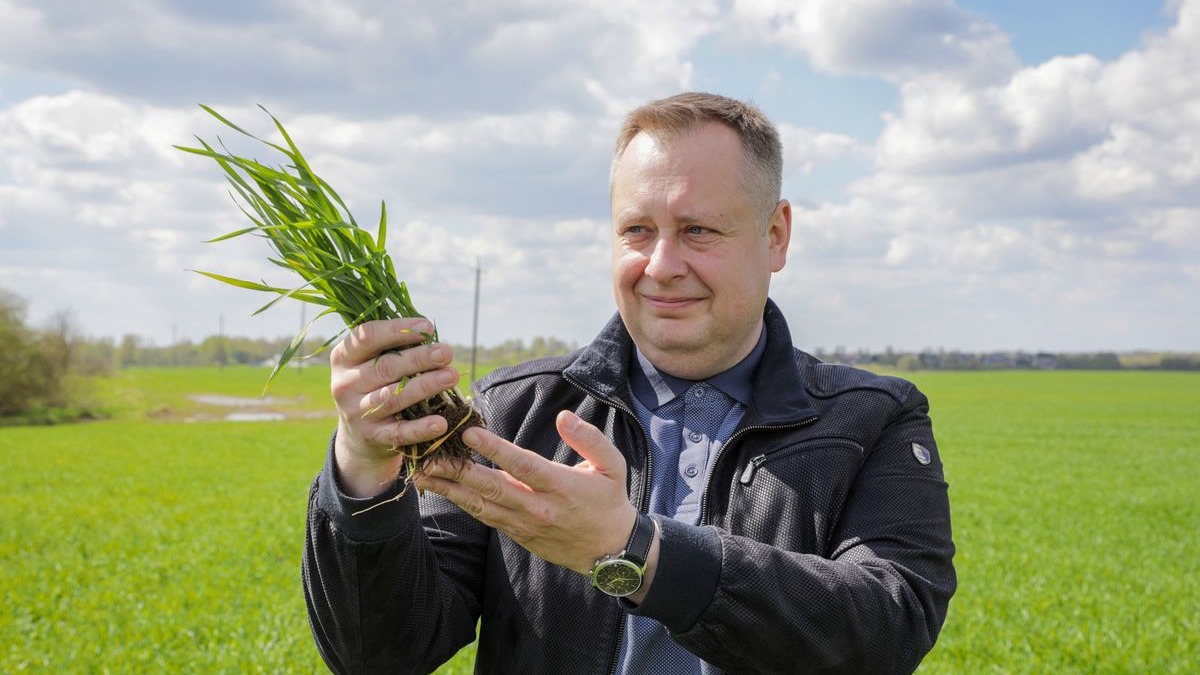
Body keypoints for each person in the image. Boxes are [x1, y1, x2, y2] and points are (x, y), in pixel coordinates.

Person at [303, 92, 956, 674]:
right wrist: (361, 467)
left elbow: (886, 626)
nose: (662, 265)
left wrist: (637, 551)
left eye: (698, 230)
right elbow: (378, 653)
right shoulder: (511, 412)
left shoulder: (870, 421)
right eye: (637, 230)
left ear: (775, 234)